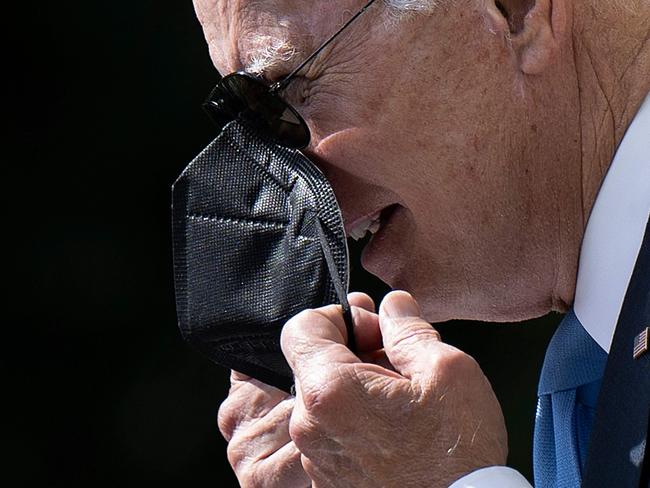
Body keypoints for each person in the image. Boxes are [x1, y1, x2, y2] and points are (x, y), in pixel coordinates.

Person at [191, 0, 649, 486]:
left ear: (516, 11)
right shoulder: (603, 350)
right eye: (248, 123)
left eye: (287, 96)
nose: (287, 187)